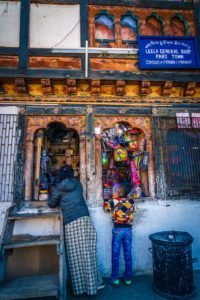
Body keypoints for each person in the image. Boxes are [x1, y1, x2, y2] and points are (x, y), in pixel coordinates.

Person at [48, 165, 104, 296]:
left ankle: (80, 289)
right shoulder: (78, 183)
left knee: (75, 256)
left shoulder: (59, 187)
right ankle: (94, 284)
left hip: (71, 221)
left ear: (60, 175)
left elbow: (51, 203)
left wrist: (53, 193)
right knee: (88, 252)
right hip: (85, 219)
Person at [104, 182, 135, 287]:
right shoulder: (131, 201)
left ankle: (115, 279)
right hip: (128, 231)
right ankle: (128, 279)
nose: (117, 190)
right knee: (128, 255)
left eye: (118, 189)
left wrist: (107, 199)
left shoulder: (114, 201)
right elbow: (132, 210)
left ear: (120, 191)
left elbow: (105, 208)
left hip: (117, 230)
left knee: (115, 255)